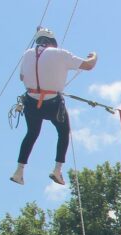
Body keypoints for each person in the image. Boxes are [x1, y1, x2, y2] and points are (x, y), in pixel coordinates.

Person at [11, 28, 98, 186]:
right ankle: (57, 170)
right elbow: (89, 65)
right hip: (52, 104)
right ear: (52, 42)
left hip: (31, 103)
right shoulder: (60, 53)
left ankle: (19, 171)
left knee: (31, 133)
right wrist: (94, 56)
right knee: (64, 132)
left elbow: (21, 77)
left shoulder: (27, 54)